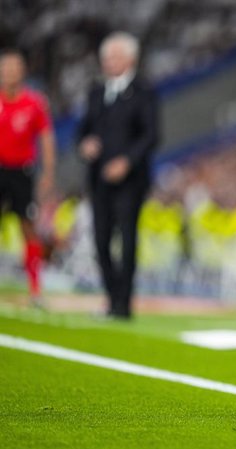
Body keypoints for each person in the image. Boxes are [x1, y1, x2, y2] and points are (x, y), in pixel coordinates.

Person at [77, 32, 159, 319]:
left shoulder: (144, 91)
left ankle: (124, 304)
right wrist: (85, 143)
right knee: (100, 240)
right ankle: (111, 297)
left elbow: (150, 135)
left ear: (130, 59)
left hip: (130, 181)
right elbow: (84, 129)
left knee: (127, 239)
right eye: (105, 57)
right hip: (98, 178)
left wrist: (126, 161)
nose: (108, 62)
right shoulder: (96, 92)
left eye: (114, 56)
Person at [0, 48, 56, 307]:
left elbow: (46, 137)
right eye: (6, 67)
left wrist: (48, 171)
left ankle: (35, 288)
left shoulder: (35, 102)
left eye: (14, 67)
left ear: (23, 71)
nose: (10, 71)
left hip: (22, 171)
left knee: (28, 227)